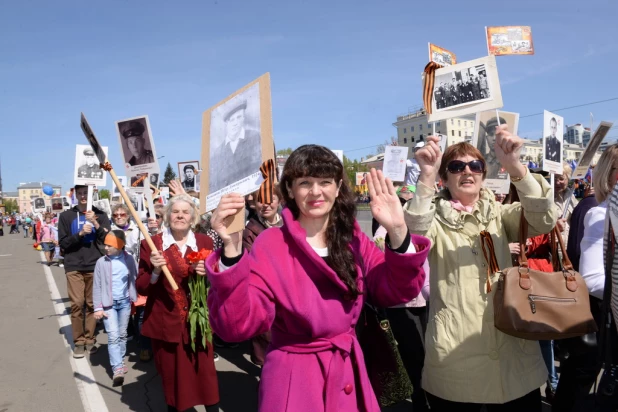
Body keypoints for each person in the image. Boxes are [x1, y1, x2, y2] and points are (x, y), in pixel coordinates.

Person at [206, 145, 431, 411]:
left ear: (337, 188)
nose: (316, 192)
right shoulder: (271, 243)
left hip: (349, 369)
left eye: (325, 182)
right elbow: (237, 326)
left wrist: (398, 230)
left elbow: (397, 290)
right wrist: (231, 251)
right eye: (305, 183)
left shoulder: (353, 238)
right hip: (295, 379)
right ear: (289, 190)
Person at [404, 129, 557, 411]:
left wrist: (514, 166)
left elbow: (544, 218)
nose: (467, 171)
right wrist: (425, 175)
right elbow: (413, 236)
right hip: (456, 358)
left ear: (484, 174)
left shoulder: (500, 214)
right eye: (456, 166)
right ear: (444, 178)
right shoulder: (434, 218)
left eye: (475, 165)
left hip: (514, 357)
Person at [137, 194, 220, 412]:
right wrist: (155, 270)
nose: (180, 216)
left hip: (198, 323)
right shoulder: (151, 244)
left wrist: (208, 273)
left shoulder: (205, 242)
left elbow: (218, 278)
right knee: (174, 381)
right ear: (167, 216)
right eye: (175, 211)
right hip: (166, 325)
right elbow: (142, 286)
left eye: (185, 212)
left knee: (205, 376)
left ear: (193, 218)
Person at [552, 145, 618, 411]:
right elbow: (591, 278)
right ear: (608, 174)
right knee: (581, 378)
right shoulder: (600, 213)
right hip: (602, 318)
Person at [58, 184, 112, 358]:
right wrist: (80, 234)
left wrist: (95, 223)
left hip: (94, 265)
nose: (83, 196)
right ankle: (79, 341)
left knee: (91, 304)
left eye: (86, 193)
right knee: (76, 304)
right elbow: (63, 243)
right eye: (80, 193)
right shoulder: (66, 216)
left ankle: (90, 338)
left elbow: (108, 239)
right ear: (75, 195)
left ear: (91, 195)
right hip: (73, 265)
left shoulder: (101, 215)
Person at [241, 185, 284, 366]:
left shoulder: (292, 224)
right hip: (265, 290)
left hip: (291, 288)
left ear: (279, 201)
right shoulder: (250, 230)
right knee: (266, 337)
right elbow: (250, 262)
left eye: (271, 199)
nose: (266, 205)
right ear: (254, 204)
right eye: (261, 200)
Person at [93, 230, 137, 386]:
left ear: (119, 245)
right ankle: (117, 368)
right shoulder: (101, 262)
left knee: (123, 334)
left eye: (110, 245)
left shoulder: (129, 260)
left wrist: (135, 297)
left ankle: (120, 360)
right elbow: (97, 286)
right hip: (108, 305)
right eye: (105, 244)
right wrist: (97, 308)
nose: (106, 248)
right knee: (113, 336)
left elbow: (134, 278)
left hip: (125, 303)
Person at [210, 100, 262, 191]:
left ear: (243, 118)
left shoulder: (254, 137)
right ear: (226, 123)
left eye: (239, 117)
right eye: (232, 119)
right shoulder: (218, 152)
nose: (235, 123)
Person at [554, 162, 578, 244]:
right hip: (553, 246)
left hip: (569, 244)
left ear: (568, 179)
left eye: (561, 179)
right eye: (554, 178)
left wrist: (587, 198)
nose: (557, 182)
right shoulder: (546, 197)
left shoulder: (571, 196)